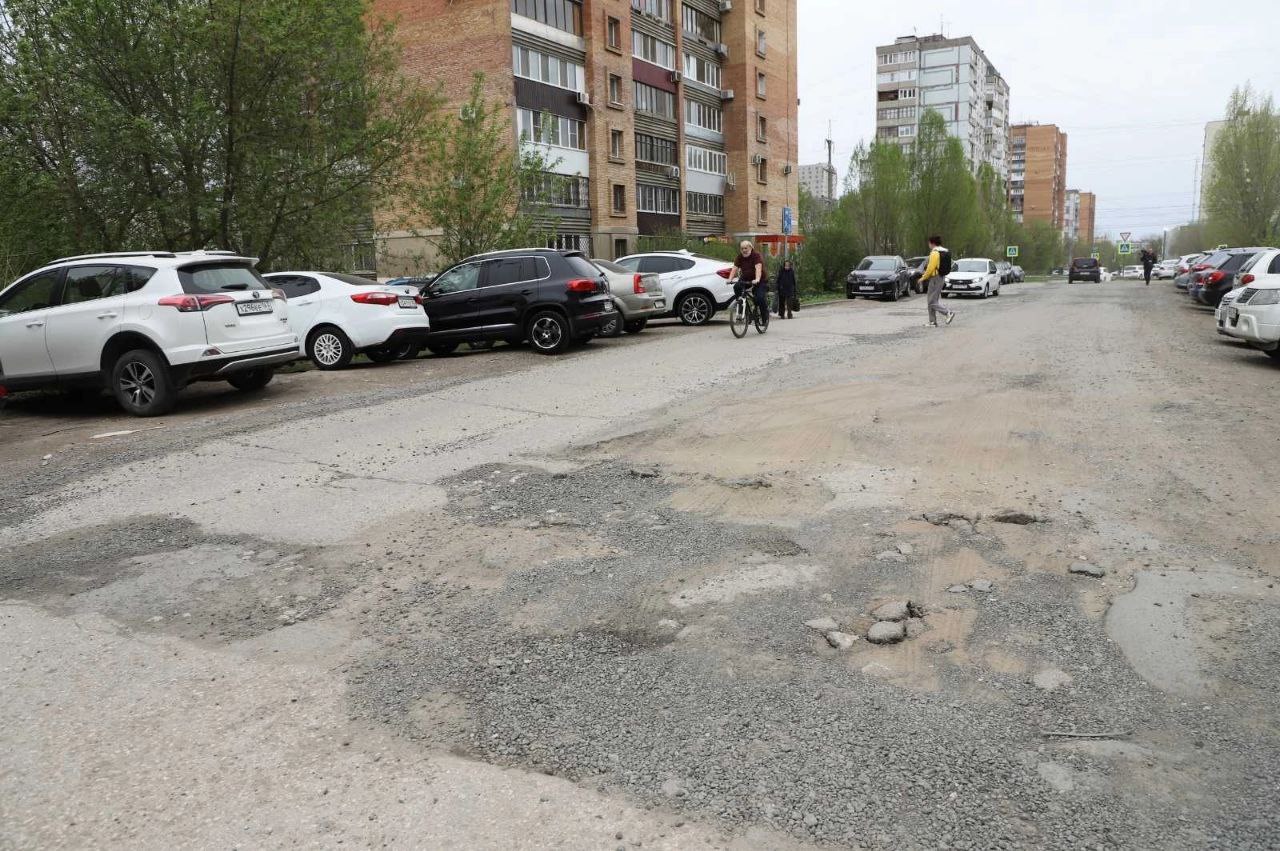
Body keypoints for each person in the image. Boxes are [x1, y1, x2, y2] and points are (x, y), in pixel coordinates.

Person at [919, 235, 955, 327]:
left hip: (935, 278)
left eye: (929, 243)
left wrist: (923, 277)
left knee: (931, 301)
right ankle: (932, 322)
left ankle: (948, 313)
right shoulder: (944, 251)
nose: (928, 245)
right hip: (941, 277)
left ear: (932, 243)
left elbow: (930, 268)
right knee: (932, 300)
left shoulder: (935, 253)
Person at [732, 240, 769, 320]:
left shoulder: (756, 255)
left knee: (759, 298)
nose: (744, 250)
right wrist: (729, 279)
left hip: (760, 280)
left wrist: (757, 279)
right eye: (742, 248)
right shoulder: (740, 257)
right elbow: (734, 268)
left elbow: (758, 268)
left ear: (750, 248)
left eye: (745, 248)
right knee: (737, 287)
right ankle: (741, 306)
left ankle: (764, 316)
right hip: (746, 278)